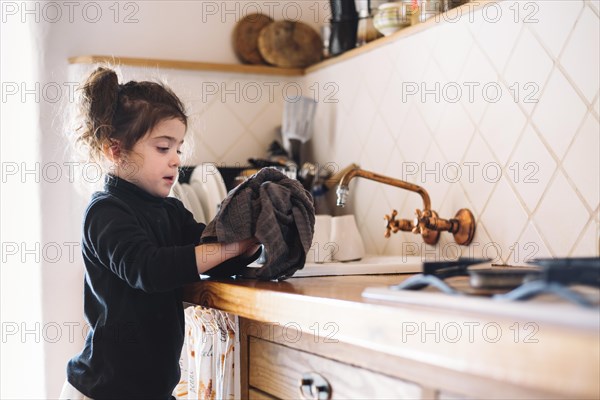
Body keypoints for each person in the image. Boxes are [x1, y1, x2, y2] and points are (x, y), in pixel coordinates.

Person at [60, 67, 260, 399]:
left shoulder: (170, 211)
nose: (176, 161)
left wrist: (251, 244)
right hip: (101, 391)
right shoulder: (105, 212)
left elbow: (209, 254)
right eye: (163, 148)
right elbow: (149, 269)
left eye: (178, 149)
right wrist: (232, 247)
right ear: (116, 150)